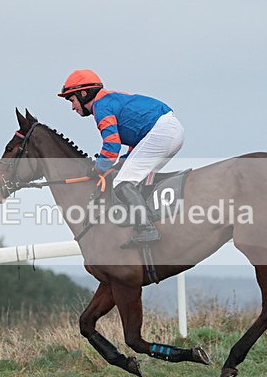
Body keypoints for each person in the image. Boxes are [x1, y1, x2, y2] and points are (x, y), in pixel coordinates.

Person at [58, 69, 184, 247]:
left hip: (162, 132)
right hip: (167, 131)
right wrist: (121, 162)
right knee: (137, 179)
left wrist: (98, 169)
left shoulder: (101, 106)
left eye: (72, 100)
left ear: (83, 93)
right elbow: (137, 140)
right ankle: (152, 222)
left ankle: (147, 229)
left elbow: (111, 146)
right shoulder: (109, 100)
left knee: (122, 182)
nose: (73, 107)